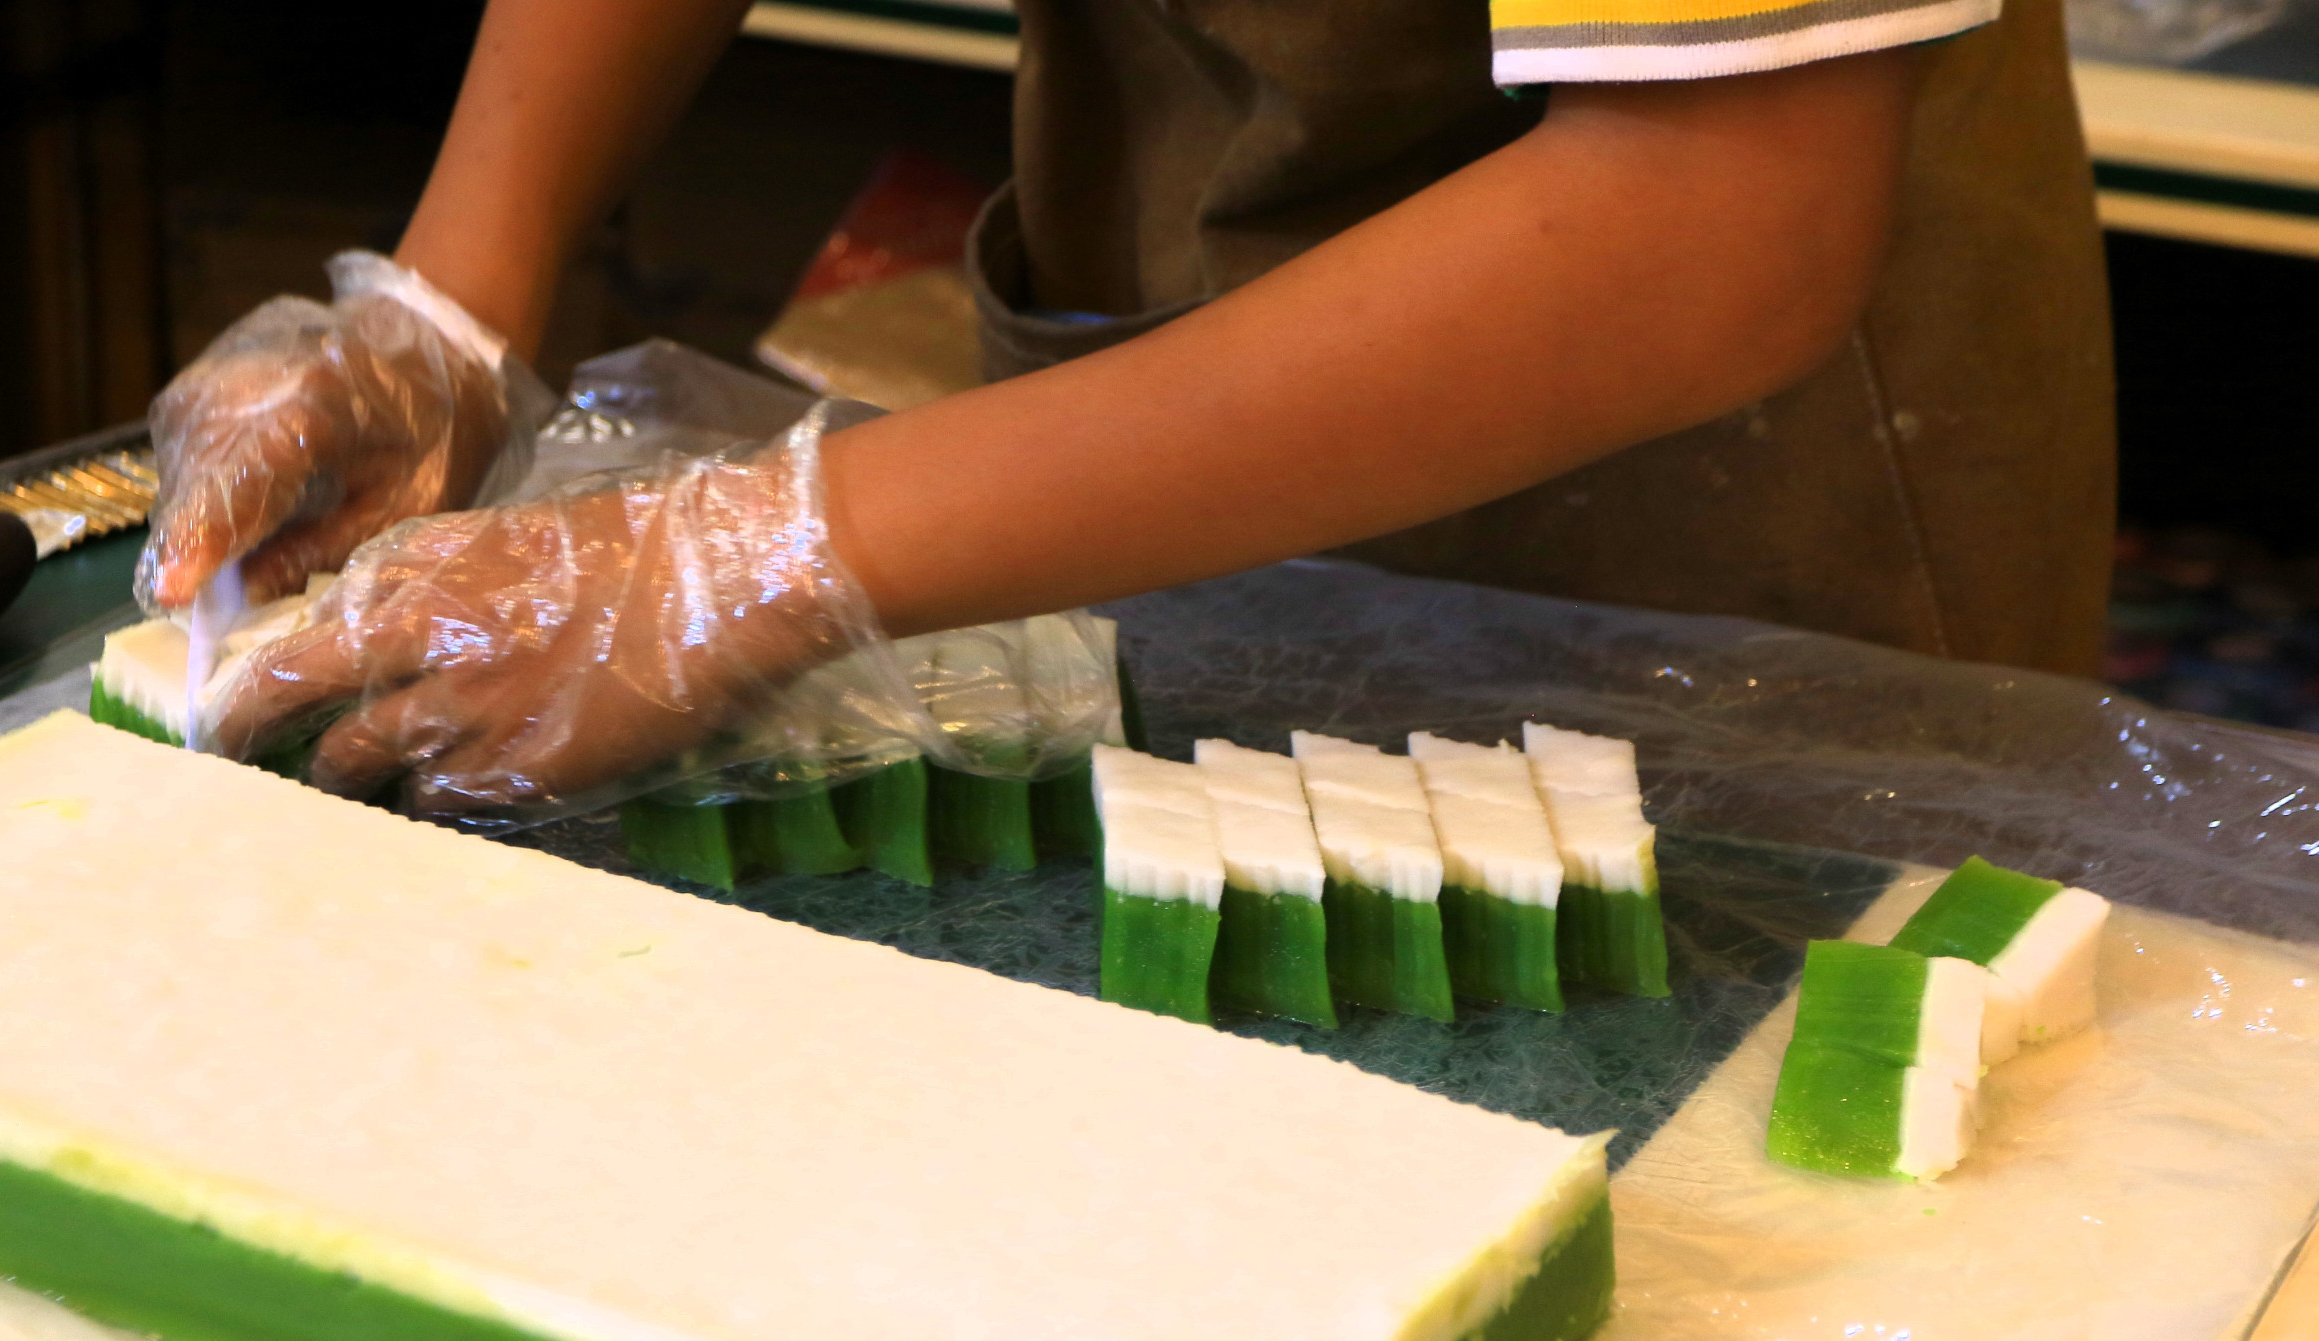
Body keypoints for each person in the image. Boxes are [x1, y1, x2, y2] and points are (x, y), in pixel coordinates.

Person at [137, 0, 2110, 816]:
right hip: (1144, 315)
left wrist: (774, 546)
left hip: (1715, 473)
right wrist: (448, 302)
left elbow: (1714, 218)